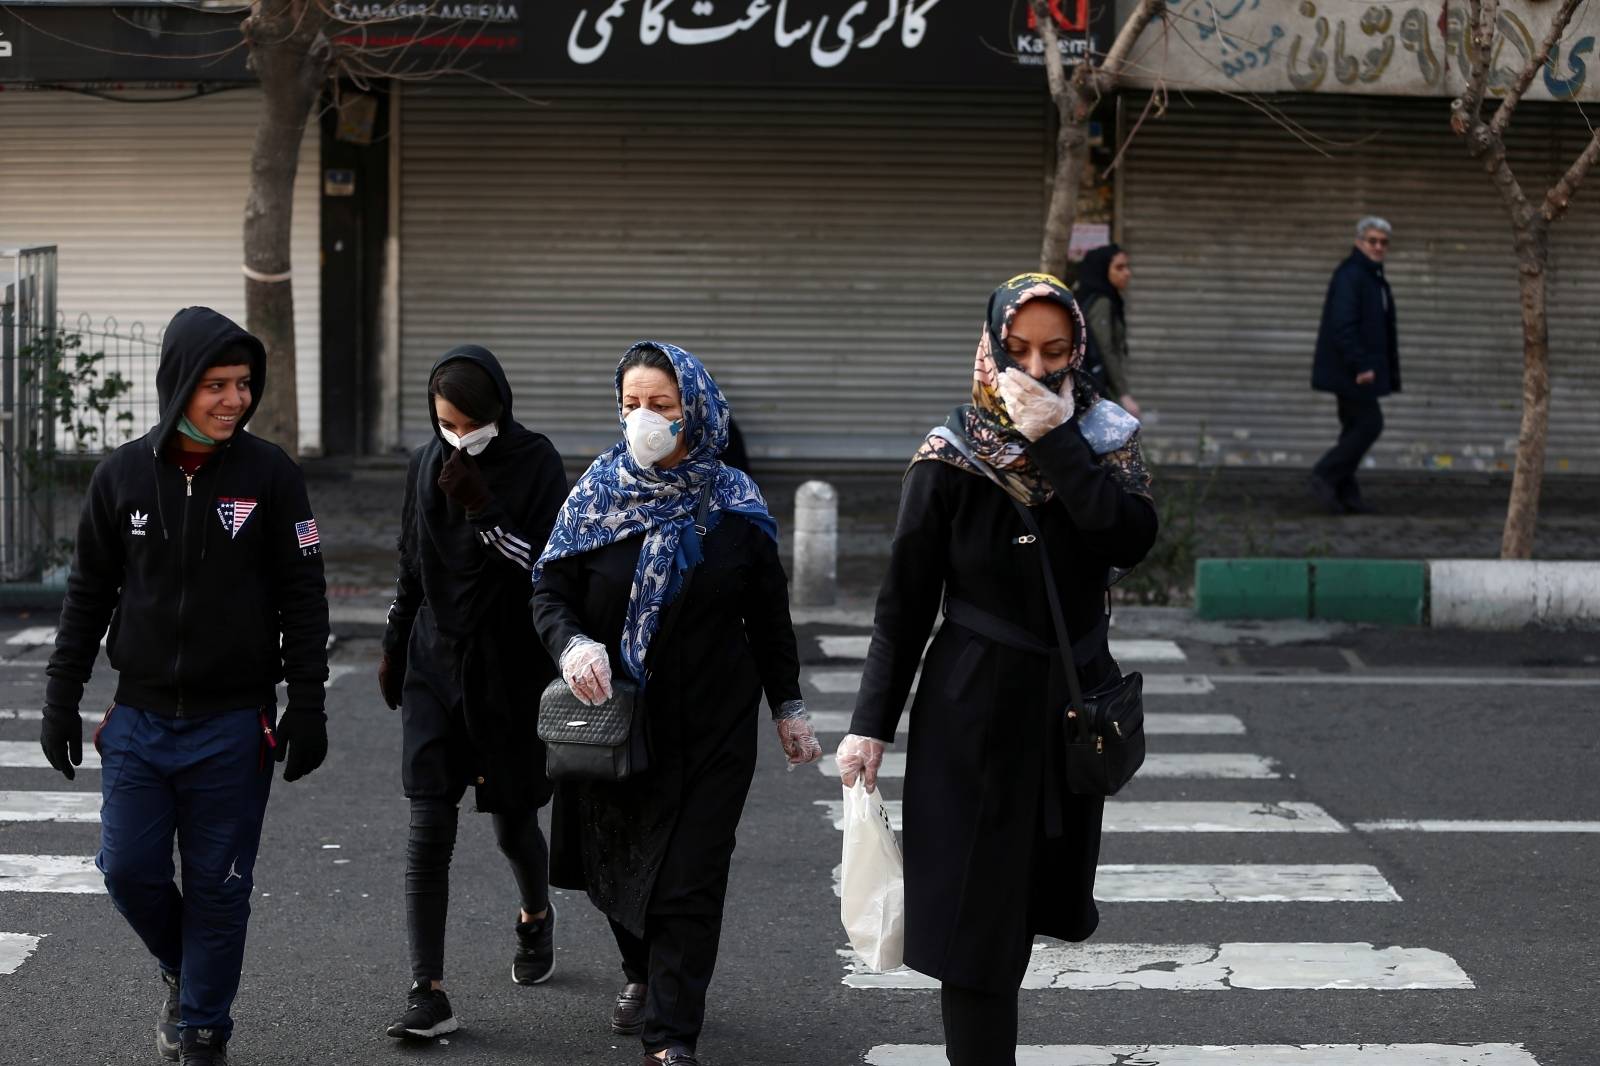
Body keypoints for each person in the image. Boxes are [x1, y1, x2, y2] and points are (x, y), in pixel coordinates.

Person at [836, 274, 1157, 1066]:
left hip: (1071, 707)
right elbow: (904, 606)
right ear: (989, 349)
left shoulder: (1106, 442)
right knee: (978, 923)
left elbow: (1128, 539)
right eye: (1017, 351)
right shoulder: (949, 458)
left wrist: (1059, 442)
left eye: (1054, 352)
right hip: (972, 711)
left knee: (1037, 898)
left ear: (1077, 350)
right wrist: (869, 727)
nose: (1034, 368)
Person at [38, 306, 330, 1066]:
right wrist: (60, 695)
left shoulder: (271, 476)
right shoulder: (120, 477)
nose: (234, 400)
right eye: (215, 385)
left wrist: (308, 700)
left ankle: (203, 1026)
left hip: (233, 723)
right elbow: (87, 597)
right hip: (138, 719)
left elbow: (304, 596)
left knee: (219, 888)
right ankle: (185, 969)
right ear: (178, 385)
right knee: (127, 870)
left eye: (243, 385)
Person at [531, 341, 823, 1066]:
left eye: (661, 405)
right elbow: (549, 590)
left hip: (714, 727)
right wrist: (571, 646)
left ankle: (671, 1036)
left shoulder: (735, 505)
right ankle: (640, 969)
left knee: (690, 877)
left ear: (695, 409)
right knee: (615, 868)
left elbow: (769, 617)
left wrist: (787, 706)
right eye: (631, 404)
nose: (644, 419)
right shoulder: (596, 495)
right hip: (616, 723)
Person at [377, 346, 568, 1039]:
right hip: (435, 662)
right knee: (429, 824)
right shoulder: (428, 463)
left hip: (507, 670)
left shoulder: (536, 463)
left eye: (468, 423)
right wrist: (397, 644)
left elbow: (547, 567)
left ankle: (536, 917)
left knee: (513, 822)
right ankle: (427, 990)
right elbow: (412, 562)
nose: (457, 435)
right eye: (444, 422)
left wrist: (484, 511)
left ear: (496, 411)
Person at [1310, 216, 1401, 514]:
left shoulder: (1370, 275)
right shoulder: (1352, 275)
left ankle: (1346, 493)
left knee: (1354, 427)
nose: (1378, 246)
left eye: (1383, 242)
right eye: (1372, 241)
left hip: (1355, 369)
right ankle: (1325, 475)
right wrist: (1361, 365)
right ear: (1359, 242)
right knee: (1369, 424)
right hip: (1351, 371)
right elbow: (1343, 325)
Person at [1074, 243, 1140, 418]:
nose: (1127, 273)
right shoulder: (1102, 303)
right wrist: (1123, 394)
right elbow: (1106, 349)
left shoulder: (1091, 297)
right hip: (1100, 390)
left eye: (1126, 267)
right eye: (1119, 267)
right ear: (1102, 270)